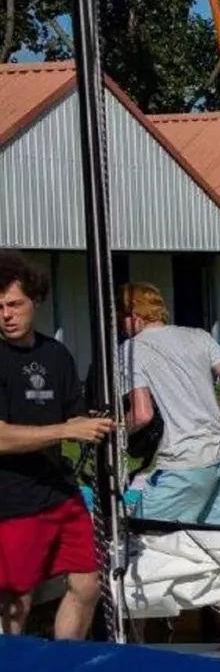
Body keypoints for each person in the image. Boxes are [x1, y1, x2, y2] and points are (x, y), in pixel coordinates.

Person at [118, 283, 220, 652]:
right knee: (219, 547)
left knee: (141, 543)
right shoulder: (197, 335)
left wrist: (112, 433)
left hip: (185, 462)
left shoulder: (131, 350)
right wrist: (216, 421)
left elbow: (142, 414)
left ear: (133, 317)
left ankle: (138, 644)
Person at [0, 253, 115, 639]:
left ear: (35, 301)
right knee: (17, 599)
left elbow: (76, 421)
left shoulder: (56, 354)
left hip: (59, 491)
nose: (6, 315)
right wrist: (65, 431)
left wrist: (106, 424)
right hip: (11, 498)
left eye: (14, 304)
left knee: (88, 584)